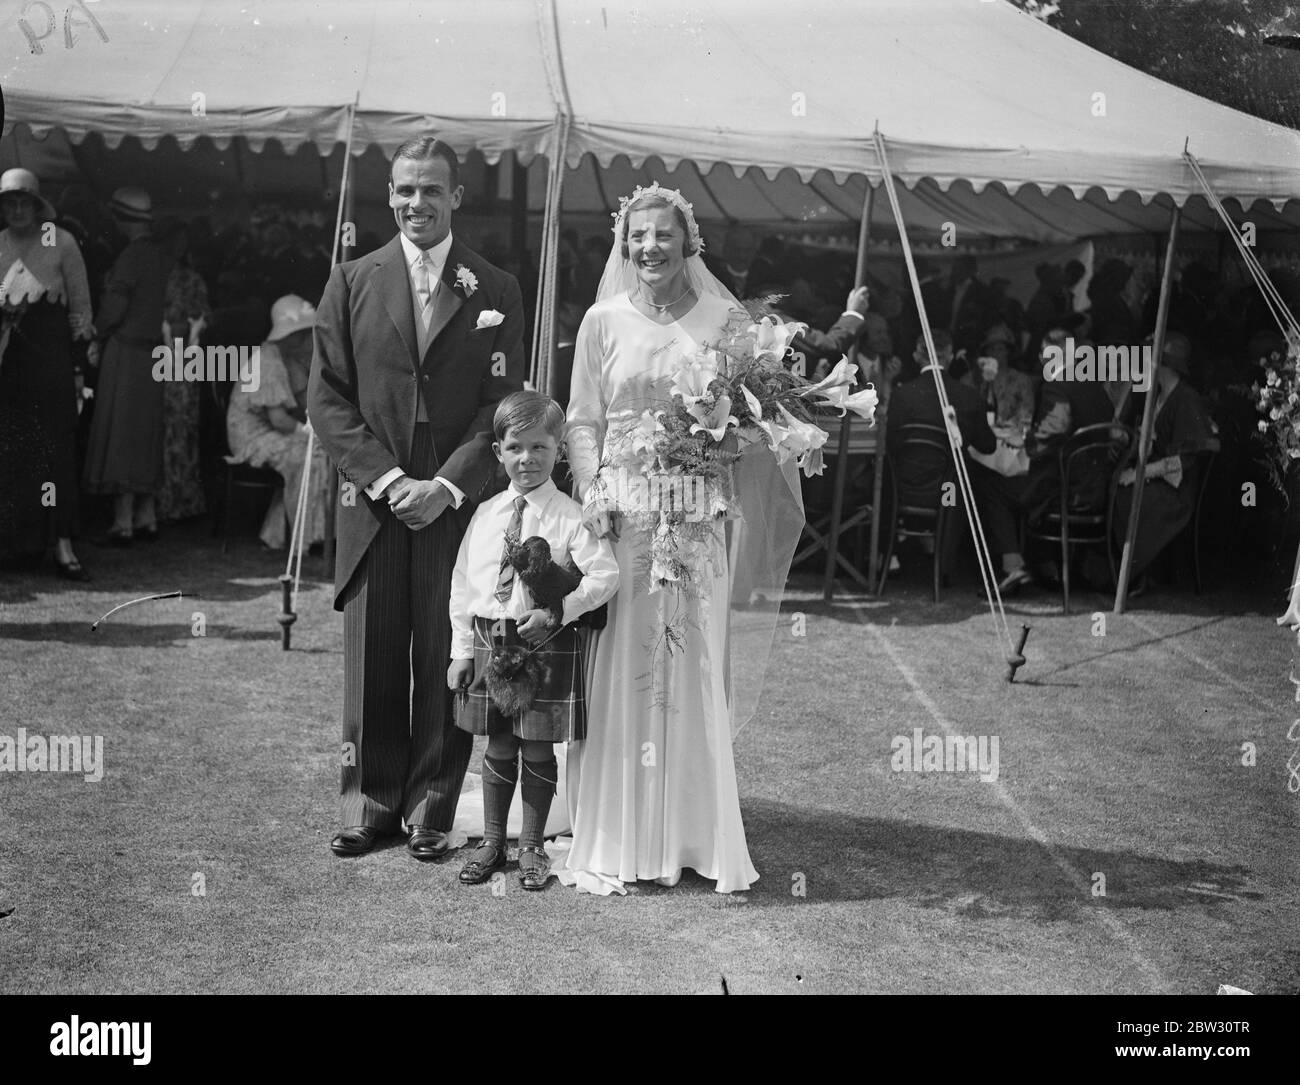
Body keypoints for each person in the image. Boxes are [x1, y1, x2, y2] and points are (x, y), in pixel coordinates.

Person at [563, 183, 799, 894]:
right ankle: (621, 832)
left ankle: (695, 834)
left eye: (664, 235)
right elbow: (582, 420)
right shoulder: (602, 321)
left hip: (698, 516)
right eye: (638, 236)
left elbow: (754, 420)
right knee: (627, 668)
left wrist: (716, 445)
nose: (650, 248)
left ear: (687, 241)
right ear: (623, 242)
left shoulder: (726, 319)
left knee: (693, 666)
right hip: (626, 516)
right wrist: (592, 487)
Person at [308, 135, 526, 860]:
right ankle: (366, 803)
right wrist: (387, 478)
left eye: (431, 190)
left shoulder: (494, 287)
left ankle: (432, 805)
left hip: (453, 492)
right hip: (375, 495)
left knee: (448, 649)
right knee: (371, 657)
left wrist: (448, 483)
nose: (416, 203)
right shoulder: (351, 280)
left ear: (456, 197)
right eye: (404, 190)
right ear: (390, 193)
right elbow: (328, 398)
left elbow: (500, 401)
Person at [448, 391, 618, 890]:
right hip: (488, 642)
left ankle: (533, 846)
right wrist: (460, 651)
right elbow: (463, 584)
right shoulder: (484, 514)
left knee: (538, 748)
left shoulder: (572, 515)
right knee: (498, 744)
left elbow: (604, 577)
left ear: (559, 450)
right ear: (498, 451)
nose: (527, 459)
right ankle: (494, 840)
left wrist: (556, 611)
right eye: (516, 447)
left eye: (540, 448)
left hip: (544, 644)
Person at [0, 168, 95, 578]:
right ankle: (20, 544)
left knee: (55, 451)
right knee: (15, 453)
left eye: (25, 202)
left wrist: (79, 362)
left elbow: (81, 307)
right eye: (10, 202)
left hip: (52, 360)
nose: (18, 209)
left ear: (38, 207)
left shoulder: (60, 240)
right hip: (10, 363)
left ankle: (62, 545)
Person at [83, 190, 178, 543]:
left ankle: (122, 521)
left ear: (122, 220)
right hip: (153, 354)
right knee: (145, 431)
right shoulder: (160, 255)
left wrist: (96, 332)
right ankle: (146, 515)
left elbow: (114, 308)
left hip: (126, 353)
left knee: (121, 431)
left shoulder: (130, 256)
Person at [1099, 332, 1217, 591]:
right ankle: (1128, 571)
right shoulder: (1158, 395)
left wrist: (1140, 474)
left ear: (1161, 363)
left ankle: (1136, 573)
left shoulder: (1185, 399)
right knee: (1117, 488)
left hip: (1176, 489)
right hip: (1158, 478)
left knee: (1130, 495)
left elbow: (1184, 460)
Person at [227, 295, 331, 549]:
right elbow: (280, 421)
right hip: (252, 437)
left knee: (320, 453)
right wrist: (312, 434)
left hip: (273, 432)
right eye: (306, 334)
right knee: (309, 457)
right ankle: (307, 540)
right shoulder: (267, 362)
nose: (310, 339)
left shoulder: (289, 359)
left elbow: (303, 403)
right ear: (294, 336)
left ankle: (277, 535)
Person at [156, 222, 211, 526]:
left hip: (181, 357)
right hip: (166, 354)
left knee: (180, 425)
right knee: (169, 427)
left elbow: (205, 317)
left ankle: (179, 500)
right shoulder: (161, 277)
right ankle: (169, 500)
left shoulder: (190, 279)